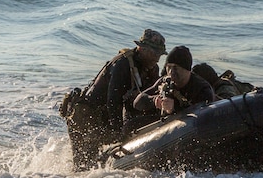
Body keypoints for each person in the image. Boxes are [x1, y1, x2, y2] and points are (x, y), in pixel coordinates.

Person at [59, 29, 166, 170]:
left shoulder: (151, 68)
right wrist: (120, 131)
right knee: (84, 165)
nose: (157, 58)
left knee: (95, 161)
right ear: (141, 48)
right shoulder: (123, 64)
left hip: (103, 116)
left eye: (159, 54)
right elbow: (113, 101)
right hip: (85, 115)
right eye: (154, 53)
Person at [131, 46, 216, 129]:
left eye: (176, 67)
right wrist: (155, 101)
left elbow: (202, 118)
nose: (171, 72)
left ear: (187, 69)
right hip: (164, 124)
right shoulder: (165, 82)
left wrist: (175, 107)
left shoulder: (202, 89)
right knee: (131, 124)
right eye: (169, 67)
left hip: (187, 128)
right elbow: (137, 102)